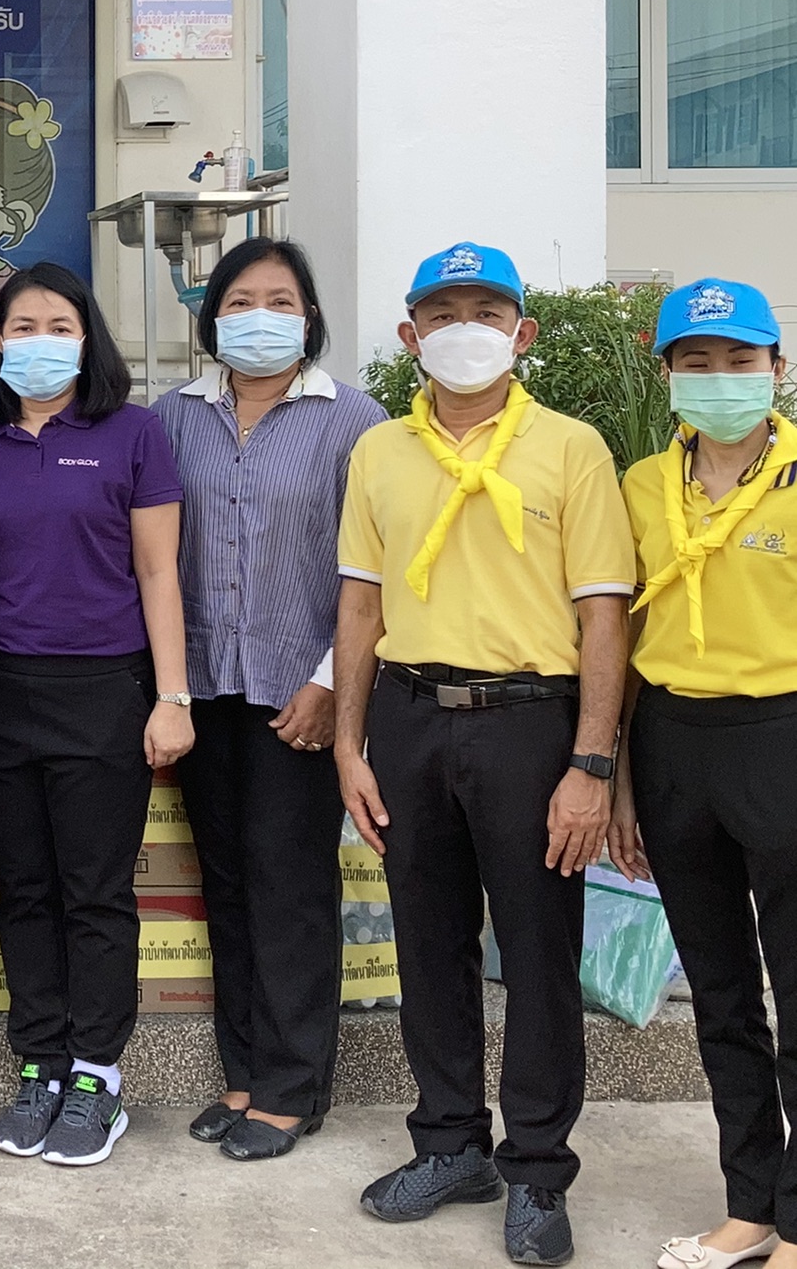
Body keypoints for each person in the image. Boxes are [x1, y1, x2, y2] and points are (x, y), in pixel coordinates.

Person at [334, 242, 635, 1268]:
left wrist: (591, 764)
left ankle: (538, 1168)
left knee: (540, 950)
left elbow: (604, 615)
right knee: (428, 941)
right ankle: (450, 1143)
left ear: (522, 332)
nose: (465, 328)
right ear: (410, 334)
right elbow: (361, 603)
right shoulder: (380, 451)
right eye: (443, 312)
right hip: (411, 716)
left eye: (486, 311)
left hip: (531, 723)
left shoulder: (572, 449)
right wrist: (350, 745)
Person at [151, 237, 389, 1162]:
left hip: (303, 693)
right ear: (212, 318)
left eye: (280, 301)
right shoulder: (173, 418)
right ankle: (244, 1075)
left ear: (310, 317)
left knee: (291, 888)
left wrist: (333, 684)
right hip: (205, 688)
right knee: (230, 883)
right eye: (240, 301)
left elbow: (375, 573)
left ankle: (293, 1088)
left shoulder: (355, 421)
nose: (260, 317)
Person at [0, 261, 191, 1169]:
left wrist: (172, 697)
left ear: (87, 338)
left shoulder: (133, 434)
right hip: (2, 694)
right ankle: (40, 1065)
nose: (40, 341)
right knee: (23, 888)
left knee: (95, 891)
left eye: (60, 325)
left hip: (105, 692)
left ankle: (96, 1074)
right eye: (23, 326)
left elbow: (159, 572)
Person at [609, 280, 797, 1269]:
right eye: (697, 361)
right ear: (667, 372)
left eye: (739, 360)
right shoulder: (643, 485)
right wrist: (621, 777)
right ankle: (750, 1204)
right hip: (674, 743)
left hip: (781, 734)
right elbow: (627, 630)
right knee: (721, 995)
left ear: (776, 367)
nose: (720, 378)